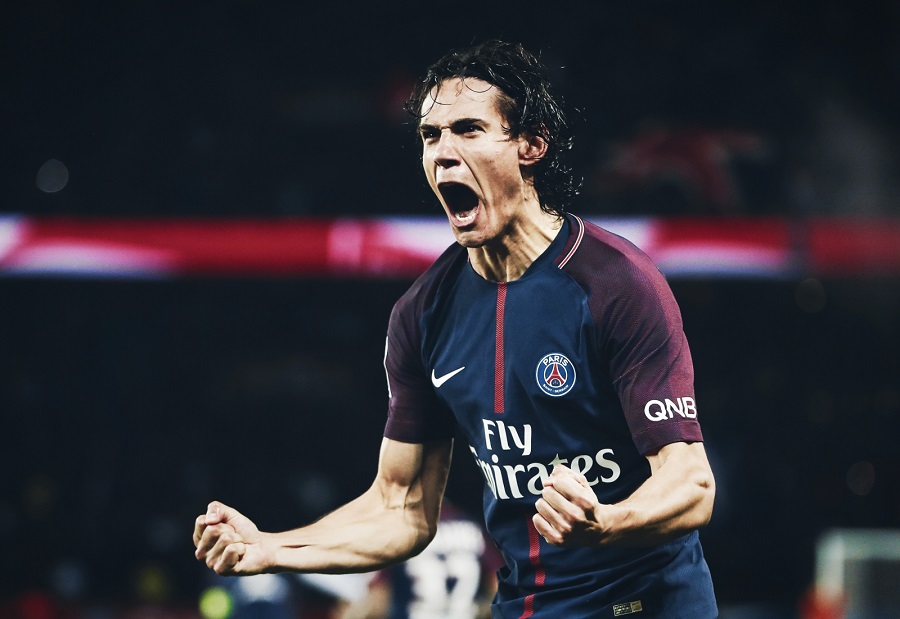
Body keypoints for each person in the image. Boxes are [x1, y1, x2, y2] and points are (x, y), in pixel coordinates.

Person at [194, 39, 718, 617]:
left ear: (531, 145)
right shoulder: (422, 313)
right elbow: (401, 508)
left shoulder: (617, 283)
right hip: (527, 605)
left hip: (643, 603)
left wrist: (608, 522)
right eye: (430, 135)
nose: (443, 153)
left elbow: (691, 484)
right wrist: (271, 549)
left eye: (468, 129)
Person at [337, 500, 502, 619]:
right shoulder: (469, 525)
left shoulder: (400, 531)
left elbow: (379, 600)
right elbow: (497, 586)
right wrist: (477, 610)